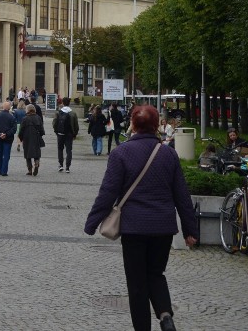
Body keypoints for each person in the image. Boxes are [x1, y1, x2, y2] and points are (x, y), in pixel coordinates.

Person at [84, 105, 198, 331]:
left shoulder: (121, 153)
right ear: (156, 126)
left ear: (133, 125)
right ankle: (165, 316)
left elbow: (108, 192)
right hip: (163, 227)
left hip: (134, 228)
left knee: (137, 284)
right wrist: (190, 230)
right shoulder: (168, 154)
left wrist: (92, 223)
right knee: (156, 273)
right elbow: (182, 195)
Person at [53, 97, 79, 173]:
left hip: (60, 134)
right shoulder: (73, 113)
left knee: (60, 149)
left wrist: (56, 131)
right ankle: (67, 167)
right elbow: (76, 125)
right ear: (69, 103)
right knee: (69, 150)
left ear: (63, 103)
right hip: (69, 134)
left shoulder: (58, 112)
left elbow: (54, 123)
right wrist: (75, 134)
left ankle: (60, 165)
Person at [0, 101, 17, 176]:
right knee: (6, 155)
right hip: (8, 139)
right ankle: (4, 171)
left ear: (2, 107)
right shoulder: (12, 117)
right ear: (9, 108)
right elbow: (14, 129)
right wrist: (6, 134)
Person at [18, 105, 45, 176]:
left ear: (27, 110)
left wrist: (21, 138)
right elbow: (42, 130)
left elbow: (21, 130)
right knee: (36, 153)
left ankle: (30, 170)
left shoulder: (25, 119)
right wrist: (40, 135)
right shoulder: (38, 118)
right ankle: (36, 163)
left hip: (27, 138)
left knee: (27, 155)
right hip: (36, 137)